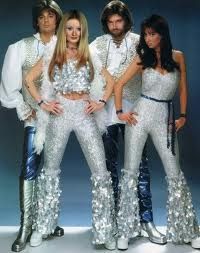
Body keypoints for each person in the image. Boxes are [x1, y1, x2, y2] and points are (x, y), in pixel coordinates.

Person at [24, 9, 116, 249]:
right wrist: (44, 102)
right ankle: (43, 227)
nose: (74, 33)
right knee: (50, 170)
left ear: (83, 31)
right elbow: (29, 79)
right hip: (61, 112)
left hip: (85, 114)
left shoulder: (90, 53)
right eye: (69, 28)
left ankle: (105, 231)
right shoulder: (53, 52)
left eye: (78, 29)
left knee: (100, 170)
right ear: (63, 29)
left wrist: (101, 102)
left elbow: (111, 82)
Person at [114, 14, 199, 250]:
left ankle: (189, 229)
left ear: (163, 34)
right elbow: (119, 84)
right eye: (146, 34)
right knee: (130, 171)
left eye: (152, 34)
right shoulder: (142, 58)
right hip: (140, 115)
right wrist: (121, 111)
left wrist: (183, 116)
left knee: (174, 172)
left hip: (165, 117)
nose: (148, 39)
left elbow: (183, 88)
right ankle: (124, 231)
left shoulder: (178, 57)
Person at [89, 1, 166, 249]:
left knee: (139, 167)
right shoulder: (96, 45)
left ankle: (146, 221)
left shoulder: (140, 42)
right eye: (110, 22)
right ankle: (112, 223)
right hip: (105, 111)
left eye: (118, 21)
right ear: (106, 23)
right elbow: (86, 72)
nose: (114, 26)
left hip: (133, 109)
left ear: (126, 21)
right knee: (108, 166)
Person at [0, 1, 64, 252]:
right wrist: (21, 107)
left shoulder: (67, 44)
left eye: (51, 16)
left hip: (62, 117)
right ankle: (26, 225)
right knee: (30, 166)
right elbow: (10, 86)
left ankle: (47, 221)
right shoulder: (21, 47)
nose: (47, 20)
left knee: (52, 168)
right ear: (36, 21)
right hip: (36, 116)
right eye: (42, 17)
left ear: (57, 19)